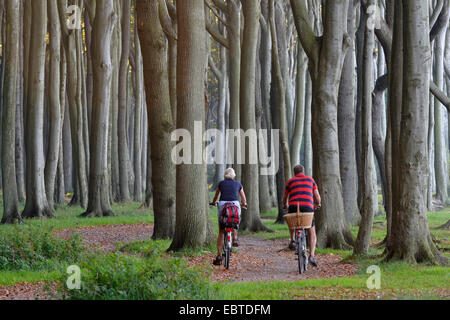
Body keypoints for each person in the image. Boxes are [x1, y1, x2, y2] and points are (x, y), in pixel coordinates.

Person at [283, 165, 321, 267]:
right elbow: (317, 197)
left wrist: (285, 205)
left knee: (291, 220)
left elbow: (285, 197)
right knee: (311, 231)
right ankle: (312, 255)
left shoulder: (290, 182)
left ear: (294, 173)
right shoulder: (311, 180)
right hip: (308, 208)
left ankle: (293, 240)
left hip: (293, 207)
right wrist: (317, 205)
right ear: (303, 171)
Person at [210, 168, 247, 266]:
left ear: (225, 175)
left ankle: (218, 255)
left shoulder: (221, 183)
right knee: (234, 220)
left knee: (221, 231)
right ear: (234, 175)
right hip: (235, 204)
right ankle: (235, 238)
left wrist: (214, 202)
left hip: (223, 205)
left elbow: (216, 195)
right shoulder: (238, 184)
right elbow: (243, 198)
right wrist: (244, 204)